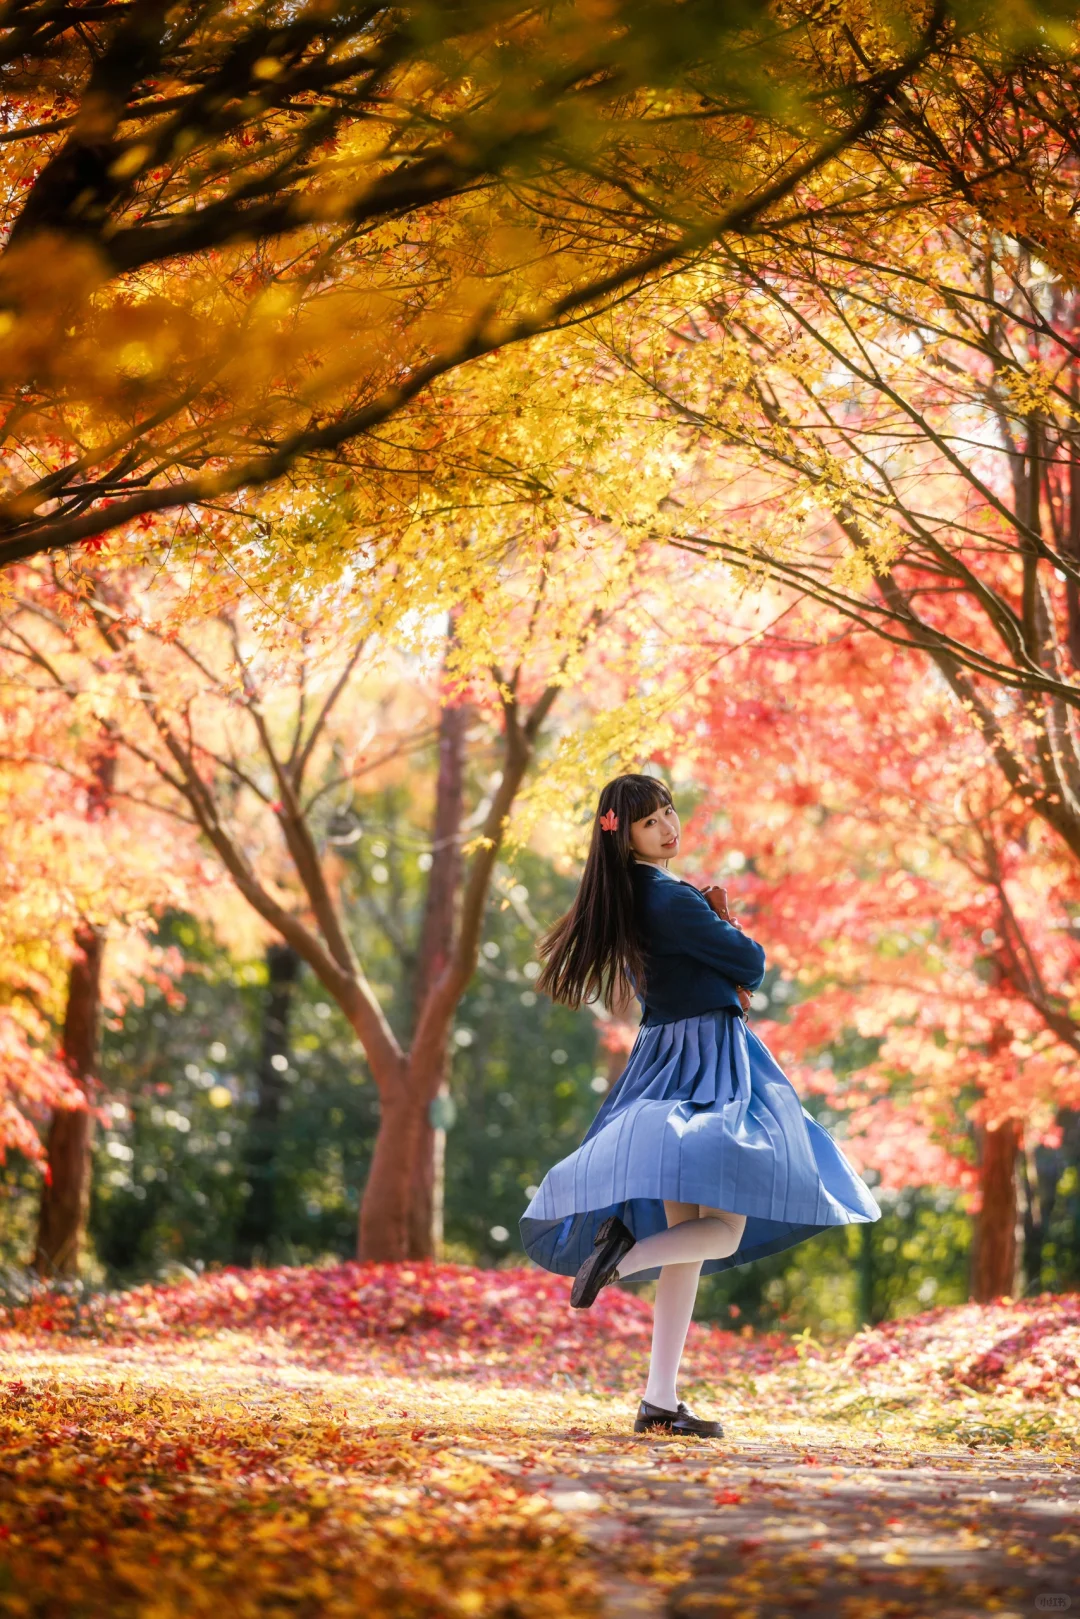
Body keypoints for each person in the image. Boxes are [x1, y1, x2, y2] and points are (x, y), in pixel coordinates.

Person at [519, 772, 882, 1438]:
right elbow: (752, 962)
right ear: (622, 835)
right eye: (652, 821)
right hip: (708, 1058)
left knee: (685, 1248)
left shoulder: (627, 897)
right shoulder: (667, 897)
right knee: (725, 1227)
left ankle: (660, 1397)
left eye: (669, 813)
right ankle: (621, 1257)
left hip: (661, 1057)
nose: (669, 826)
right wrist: (724, 924)